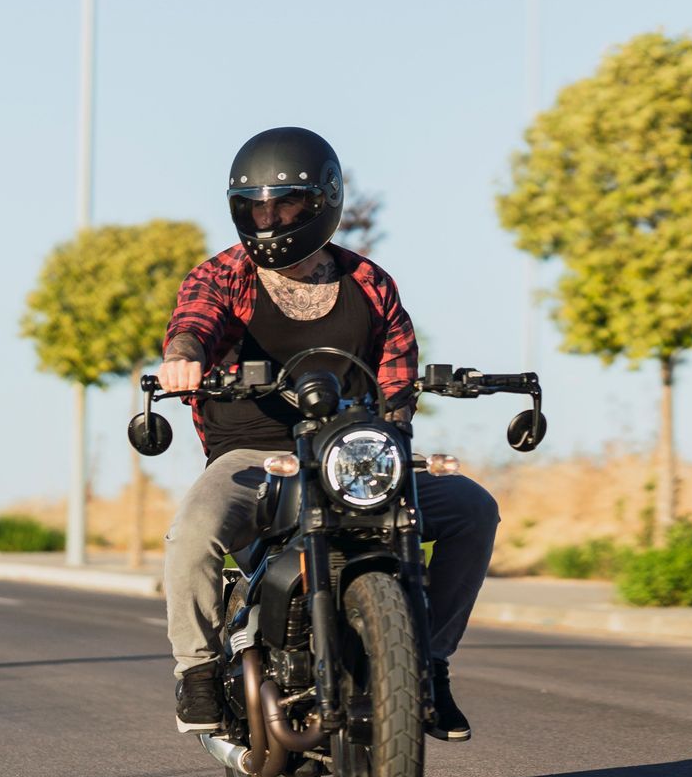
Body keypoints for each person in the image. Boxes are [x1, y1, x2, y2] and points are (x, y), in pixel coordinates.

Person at [156, 125, 497, 743]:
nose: (268, 218)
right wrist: (183, 354)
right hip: (251, 458)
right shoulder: (223, 277)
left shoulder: (370, 283)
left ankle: (429, 665)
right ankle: (198, 670)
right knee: (194, 534)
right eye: (254, 206)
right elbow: (193, 323)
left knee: (474, 508)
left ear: (322, 203)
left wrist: (394, 445)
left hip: (352, 456)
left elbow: (397, 382)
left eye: (283, 203)